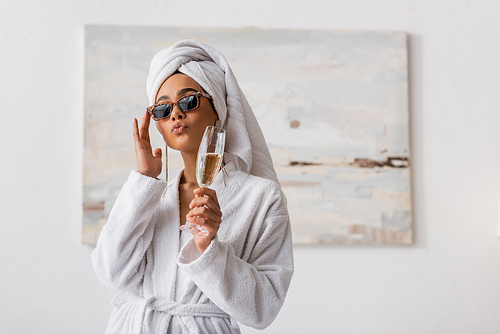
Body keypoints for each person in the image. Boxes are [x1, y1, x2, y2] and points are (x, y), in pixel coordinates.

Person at [91, 39, 294, 334]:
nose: (176, 113)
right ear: (157, 123)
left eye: (189, 101)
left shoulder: (261, 197)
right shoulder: (148, 196)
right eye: (162, 109)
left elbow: (263, 308)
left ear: (218, 109)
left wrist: (207, 250)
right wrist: (144, 179)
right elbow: (111, 272)